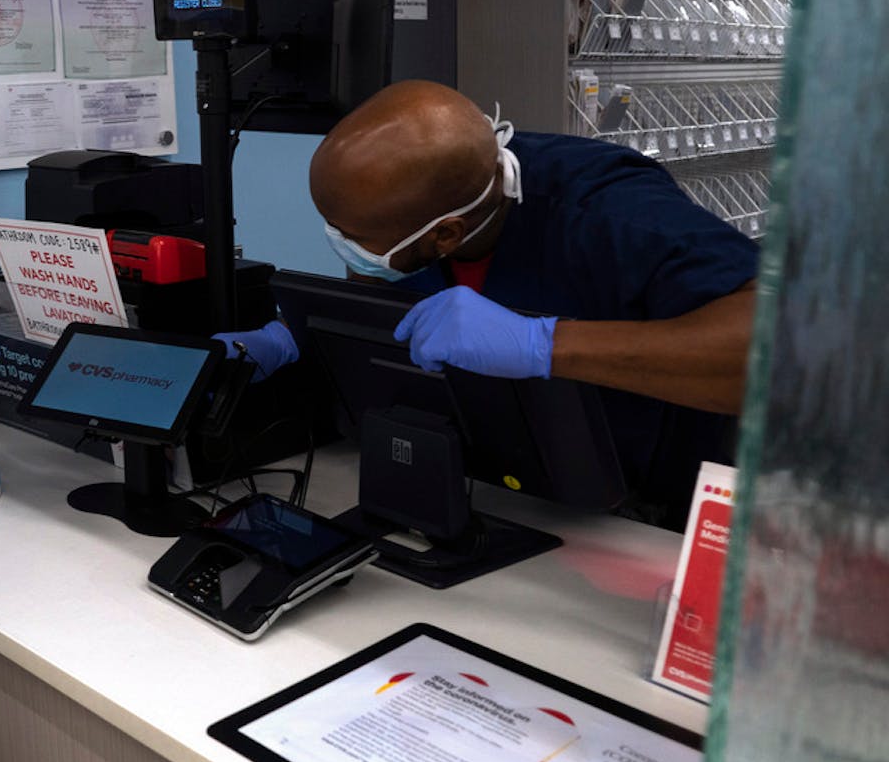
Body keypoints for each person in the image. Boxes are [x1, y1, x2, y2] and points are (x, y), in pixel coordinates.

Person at [218, 80, 759, 528]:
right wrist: (300, 331)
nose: (343, 245)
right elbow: (390, 290)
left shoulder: (610, 212)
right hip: (506, 490)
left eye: (353, 237)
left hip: (633, 514)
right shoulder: (431, 207)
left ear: (446, 235)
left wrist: (543, 344)